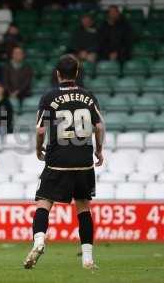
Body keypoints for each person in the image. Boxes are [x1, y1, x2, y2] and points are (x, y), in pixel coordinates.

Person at [23, 54, 105, 270]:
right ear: (77, 72)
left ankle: (39, 241)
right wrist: (99, 150)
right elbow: (99, 126)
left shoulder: (49, 97)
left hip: (57, 160)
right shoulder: (88, 96)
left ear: (57, 74)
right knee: (83, 208)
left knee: (44, 202)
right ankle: (87, 259)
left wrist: (38, 148)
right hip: (84, 162)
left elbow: (41, 129)